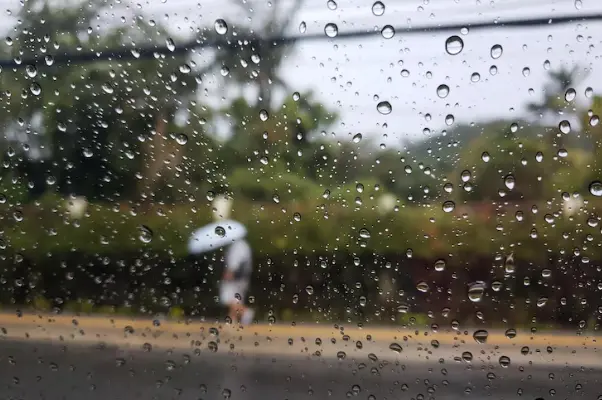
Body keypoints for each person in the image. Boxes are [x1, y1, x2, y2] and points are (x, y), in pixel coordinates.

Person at [220, 238, 254, 325]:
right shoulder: (243, 244)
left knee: (230, 298)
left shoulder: (237, 245)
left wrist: (230, 272)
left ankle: (245, 312)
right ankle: (232, 319)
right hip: (242, 277)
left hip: (236, 277)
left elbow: (235, 261)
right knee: (235, 299)